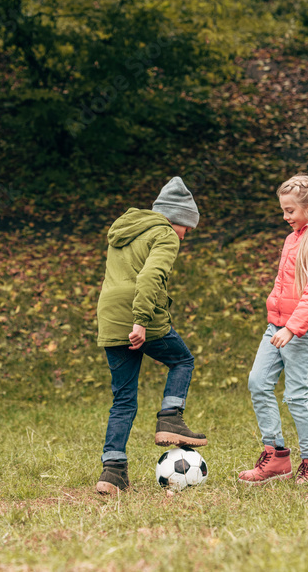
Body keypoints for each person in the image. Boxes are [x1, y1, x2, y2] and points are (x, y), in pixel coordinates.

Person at [94, 176, 207, 495]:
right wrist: (141, 322)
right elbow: (149, 278)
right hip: (139, 314)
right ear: (176, 219)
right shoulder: (165, 235)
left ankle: (113, 472)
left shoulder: (124, 230)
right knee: (182, 361)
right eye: (187, 228)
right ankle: (170, 418)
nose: (185, 235)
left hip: (110, 314)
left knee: (123, 399)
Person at [238, 174, 308, 485]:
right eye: (283, 211)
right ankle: (276, 457)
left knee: (297, 396)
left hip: (303, 330)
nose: (285, 217)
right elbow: (283, 283)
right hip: (277, 326)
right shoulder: (292, 239)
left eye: (290, 211)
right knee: (258, 382)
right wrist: (276, 315)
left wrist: (292, 327)